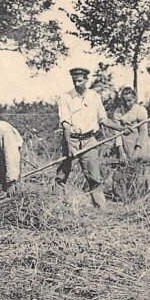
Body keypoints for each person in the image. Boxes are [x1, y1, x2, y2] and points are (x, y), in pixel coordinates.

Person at [55, 67, 130, 209]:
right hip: (70, 140)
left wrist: (121, 129)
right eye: (74, 81)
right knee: (62, 175)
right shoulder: (65, 98)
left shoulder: (94, 97)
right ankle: (58, 207)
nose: (77, 84)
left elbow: (104, 120)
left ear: (86, 80)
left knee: (94, 177)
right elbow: (65, 124)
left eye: (80, 81)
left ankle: (102, 209)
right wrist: (69, 146)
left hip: (89, 140)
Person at [113, 87, 150, 163]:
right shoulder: (118, 112)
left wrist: (137, 151)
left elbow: (143, 131)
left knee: (142, 166)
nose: (127, 104)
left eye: (129, 101)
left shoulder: (140, 110)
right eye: (125, 101)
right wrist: (121, 152)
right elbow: (117, 133)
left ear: (134, 99)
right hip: (126, 145)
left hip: (140, 144)